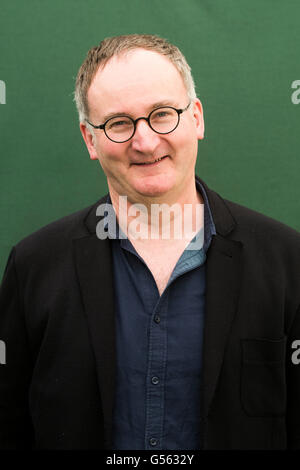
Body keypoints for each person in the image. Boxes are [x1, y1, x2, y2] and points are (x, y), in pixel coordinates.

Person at [0, 34, 300, 451]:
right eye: (119, 123)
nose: (144, 141)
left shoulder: (288, 263)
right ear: (90, 139)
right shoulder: (34, 267)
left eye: (162, 114)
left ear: (195, 117)